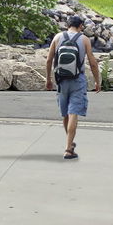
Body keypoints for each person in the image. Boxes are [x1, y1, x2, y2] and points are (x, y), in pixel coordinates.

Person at [46, 15, 102, 159]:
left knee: (65, 113)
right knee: (73, 113)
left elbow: (49, 60)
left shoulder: (58, 37)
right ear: (81, 26)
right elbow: (93, 63)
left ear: (68, 25)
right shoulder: (84, 39)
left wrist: (48, 79)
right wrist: (97, 81)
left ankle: (69, 144)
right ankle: (68, 149)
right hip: (77, 79)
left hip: (61, 79)